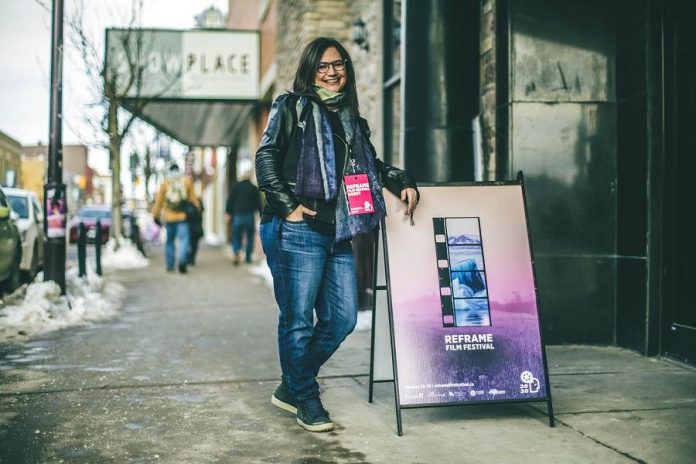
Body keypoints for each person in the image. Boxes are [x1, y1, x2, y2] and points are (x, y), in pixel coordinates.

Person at [256, 37, 419, 432]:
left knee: (343, 317)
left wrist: (400, 179)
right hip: (300, 227)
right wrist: (288, 206)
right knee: (298, 320)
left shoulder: (351, 119)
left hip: (339, 231)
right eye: (323, 66)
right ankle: (306, 399)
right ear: (310, 70)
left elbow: (370, 167)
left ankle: (292, 384)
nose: (332, 72)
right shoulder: (292, 106)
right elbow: (266, 157)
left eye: (338, 64)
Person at [151, 163, 199, 274]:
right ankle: (182, 260)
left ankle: (170, 265)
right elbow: (193, 199)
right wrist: (197, 211)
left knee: (170, 241)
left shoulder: (165, 183)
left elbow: (159, 201)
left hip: (169, 217)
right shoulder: (186, 181)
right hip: (182, 217)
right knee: (184, 240)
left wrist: (156, 215)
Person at [225, 174, 262, 265]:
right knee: (250, 237)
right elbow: (258, 202)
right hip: (249, 215)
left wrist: (228, 212)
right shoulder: (253, 187)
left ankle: (237, 251)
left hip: (238, 215)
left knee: (237, 235)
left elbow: (230, 200)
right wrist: (261, 214)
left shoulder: (236, 186)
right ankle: (248, 257)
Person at [188, 196, 204, 266]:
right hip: (195, 230)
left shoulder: (197, 208)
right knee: (194, 246)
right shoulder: (196, 208)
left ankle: (190, 259)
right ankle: (191, 259)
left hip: (193, 230)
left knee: (192, 246)